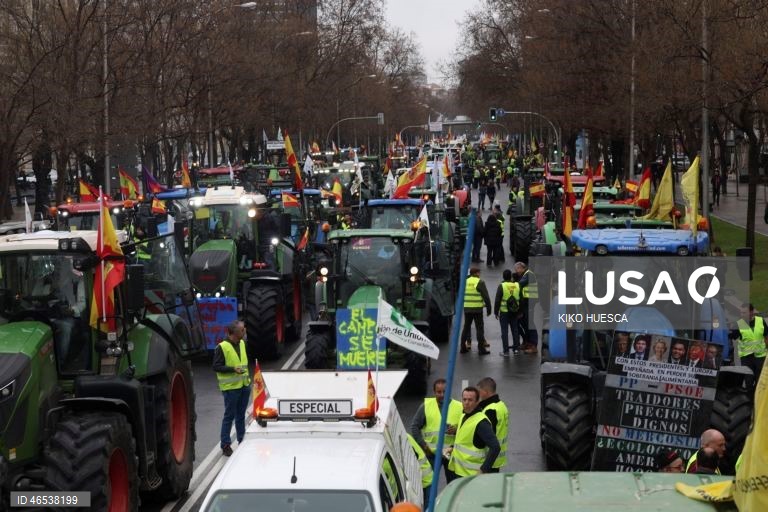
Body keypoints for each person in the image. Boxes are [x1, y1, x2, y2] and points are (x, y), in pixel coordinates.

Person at [409, 378, 463, 480]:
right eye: (439, 392)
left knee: (453, 484)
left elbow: (466, 428)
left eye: (445, 392)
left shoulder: (459, 407)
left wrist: (456, 430)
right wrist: (424, 446)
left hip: (451, 453)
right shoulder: (426, 406)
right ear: (434, 392)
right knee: (430, 483)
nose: (442, 395)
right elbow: (414, 427)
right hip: (432, 454)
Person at [213, 320, 251, 456]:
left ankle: (242, 441)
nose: (244, 331)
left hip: (244, 385)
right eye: (242, 330)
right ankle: (225, 445)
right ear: (233, 333)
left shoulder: (242, 343)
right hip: (230, 388)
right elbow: (216, 366)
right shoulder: (221, 347)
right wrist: (232, 369)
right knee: (229, 416)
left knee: (240, 416)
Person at [446, 387, 500, 481]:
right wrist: (452, 447)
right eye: (464, 399)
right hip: (460, 473)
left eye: (470, 400)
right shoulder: (464, 415)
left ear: (477, 402)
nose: (466, 402)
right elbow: (464, 439)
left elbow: (495, 447)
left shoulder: (481, 422)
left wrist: (483, 470)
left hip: (472, 476)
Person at [476, 378, 508, 472]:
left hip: (487, 460)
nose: (479, 394)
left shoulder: (490, 410)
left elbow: (486, 436)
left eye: (479, 391)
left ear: (485, 392)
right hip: (496, 459)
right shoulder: (501, 405)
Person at [731, 303, 767, 382]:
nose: (742, 314)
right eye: (741, 312)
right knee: (748, 380)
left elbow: (766, 336)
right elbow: (731, 336)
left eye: (744, 312)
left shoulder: (760, 321)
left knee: (760, 381)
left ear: (751, 312)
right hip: (746, 357)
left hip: (760, 356)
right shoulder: (740, 323)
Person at [461, 267, 492, 355]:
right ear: (476, 273)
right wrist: (489, 309)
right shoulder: (480, 282)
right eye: (479, 272)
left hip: (467, 308)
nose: (480, 274)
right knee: (479, 328)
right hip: (477, 309)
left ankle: (463, 347)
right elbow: (486, 297)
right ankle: (481, 349)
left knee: (466, 328)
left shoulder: (465, 282)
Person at [494, 269, 521, 356]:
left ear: (503, 276)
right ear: (511, 276)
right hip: (514, 312)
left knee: (504, 331)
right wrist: (520, 311)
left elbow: (497, 300)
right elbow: (521, 298)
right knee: (515, 330)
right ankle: (516, 349)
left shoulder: (502, 286)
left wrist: (495, 312)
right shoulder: (517, 285)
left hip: (504, 312)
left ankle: (506, 351)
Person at [515, 262, 538, 354]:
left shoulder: (528, 274)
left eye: (517, 270)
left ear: (521, 268)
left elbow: (519, 285)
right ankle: (527, 342)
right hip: (526, 302)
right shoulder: (526, 274)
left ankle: (533, 345)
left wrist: (509, 284)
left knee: (530, 323)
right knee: (524, 322)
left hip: (530, 302)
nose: (516, 272)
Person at [406, 434, 433, 507]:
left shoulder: (403, 440)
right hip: (423, 479)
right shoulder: (403, 435)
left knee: (428, 507)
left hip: (425, 480)